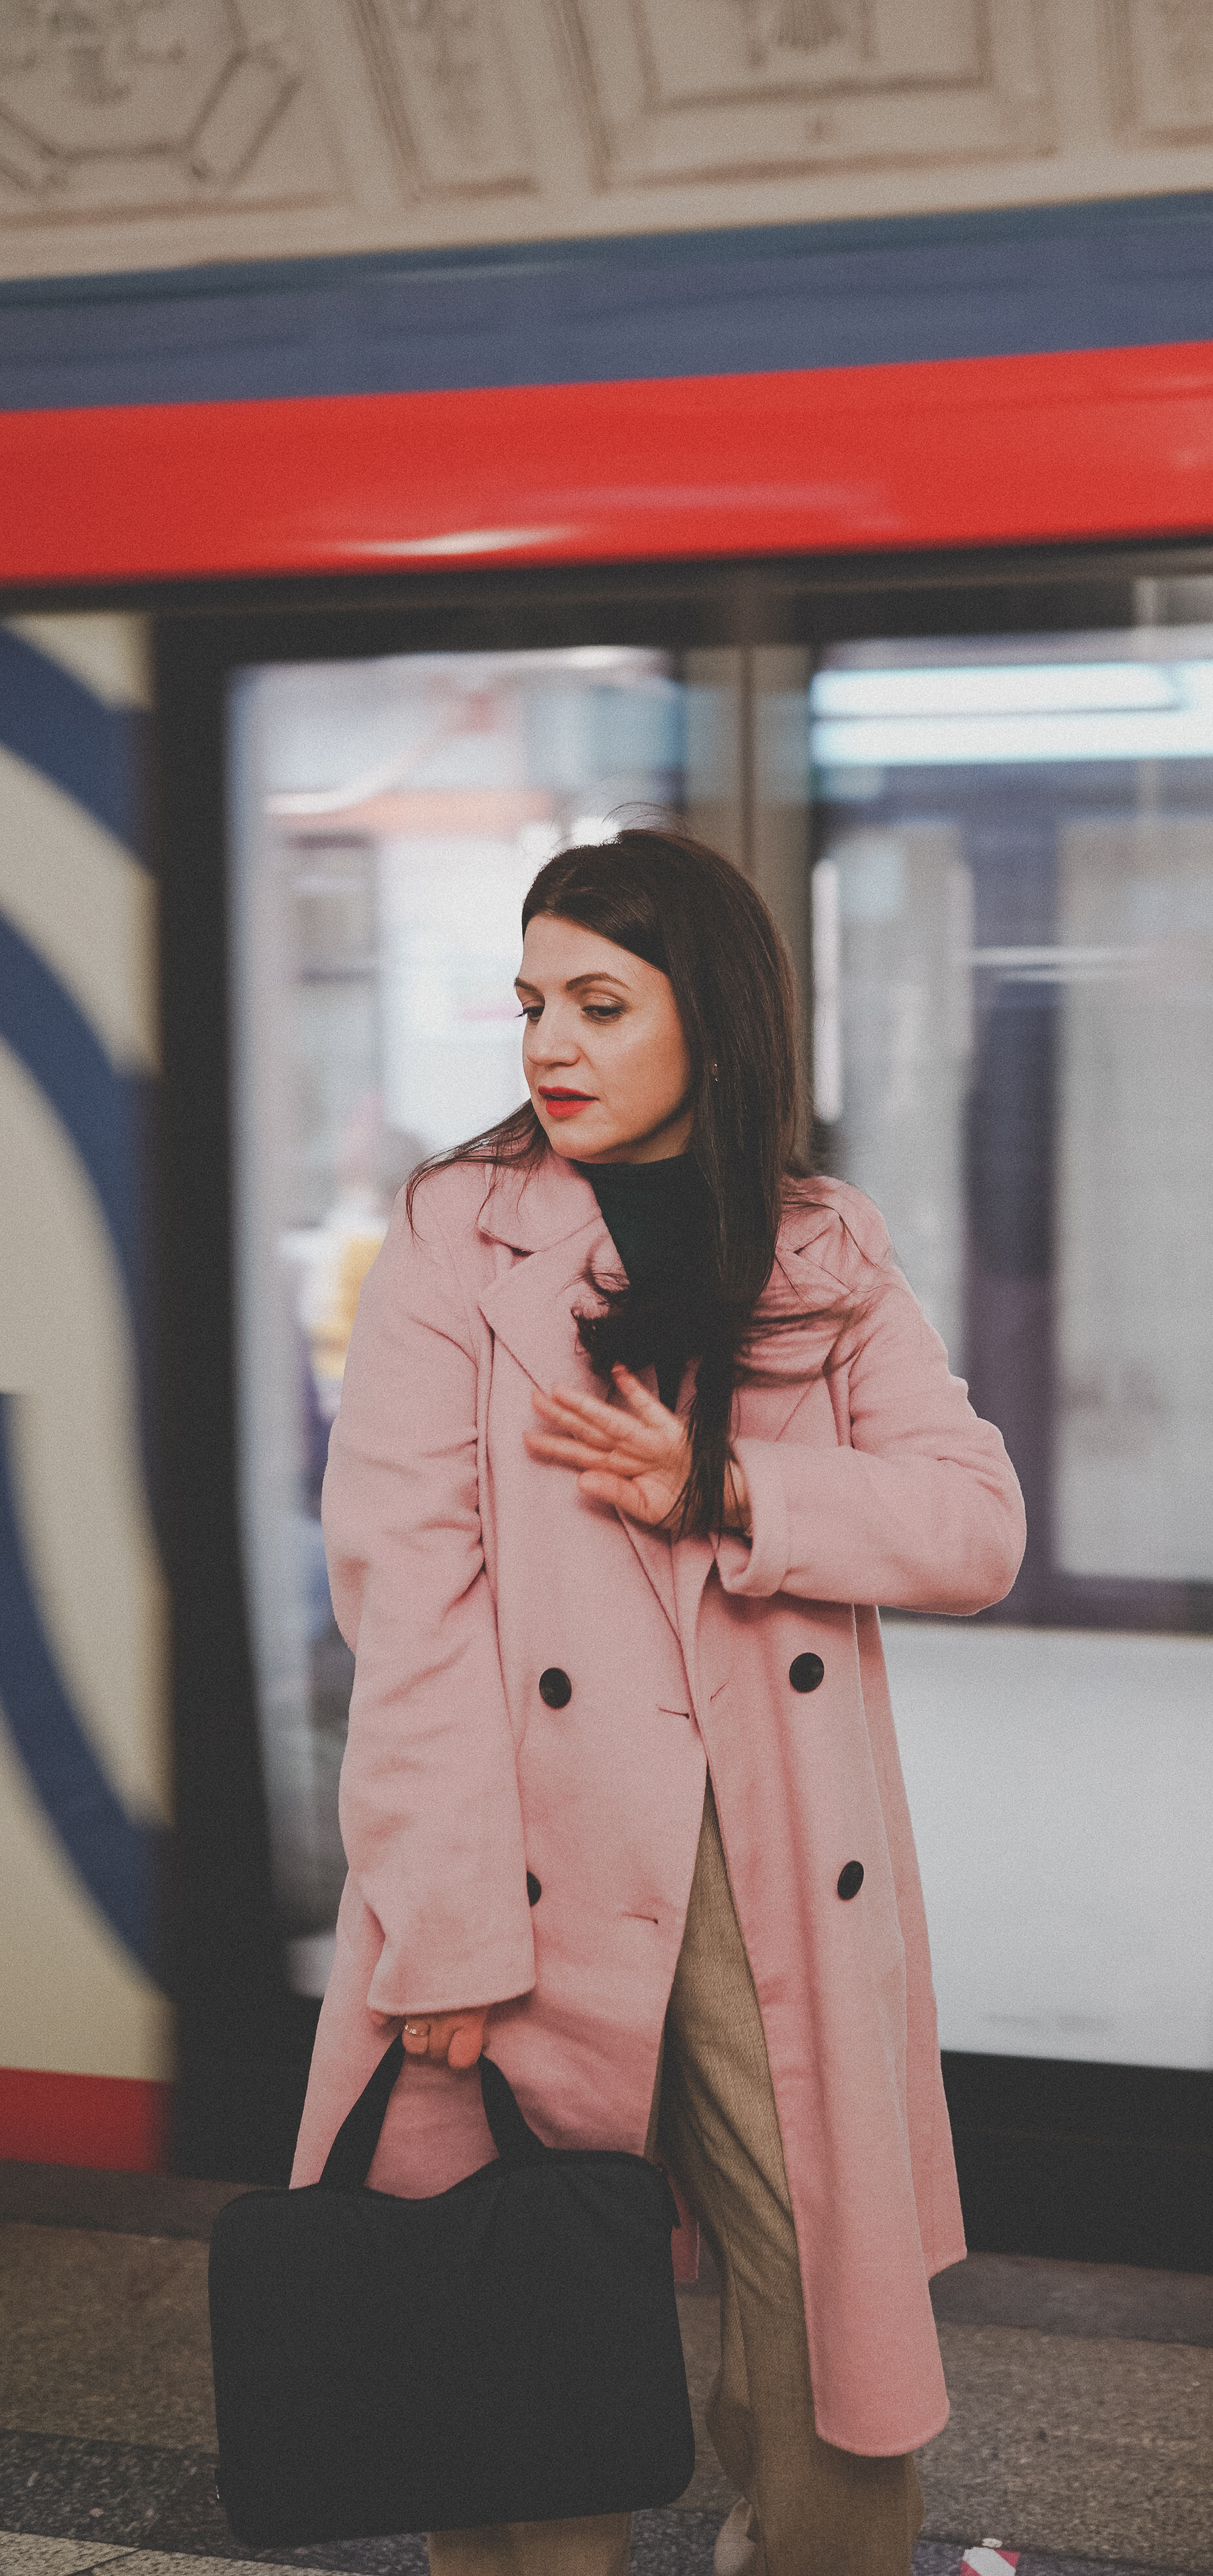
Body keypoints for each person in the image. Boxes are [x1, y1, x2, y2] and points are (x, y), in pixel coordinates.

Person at [289, 827, 1026, 2576]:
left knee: (824, 2343)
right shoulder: (460, 1240)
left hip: (771, 1874)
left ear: (714, 1021)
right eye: (535, 1000)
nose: (549, 1042)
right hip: (529, 1880)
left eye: (600, 1004)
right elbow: (409, 1604)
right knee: (528, 2331)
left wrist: (737, 1489)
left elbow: (974, 1523)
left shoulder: (825, 1253)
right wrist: (444, 1923)